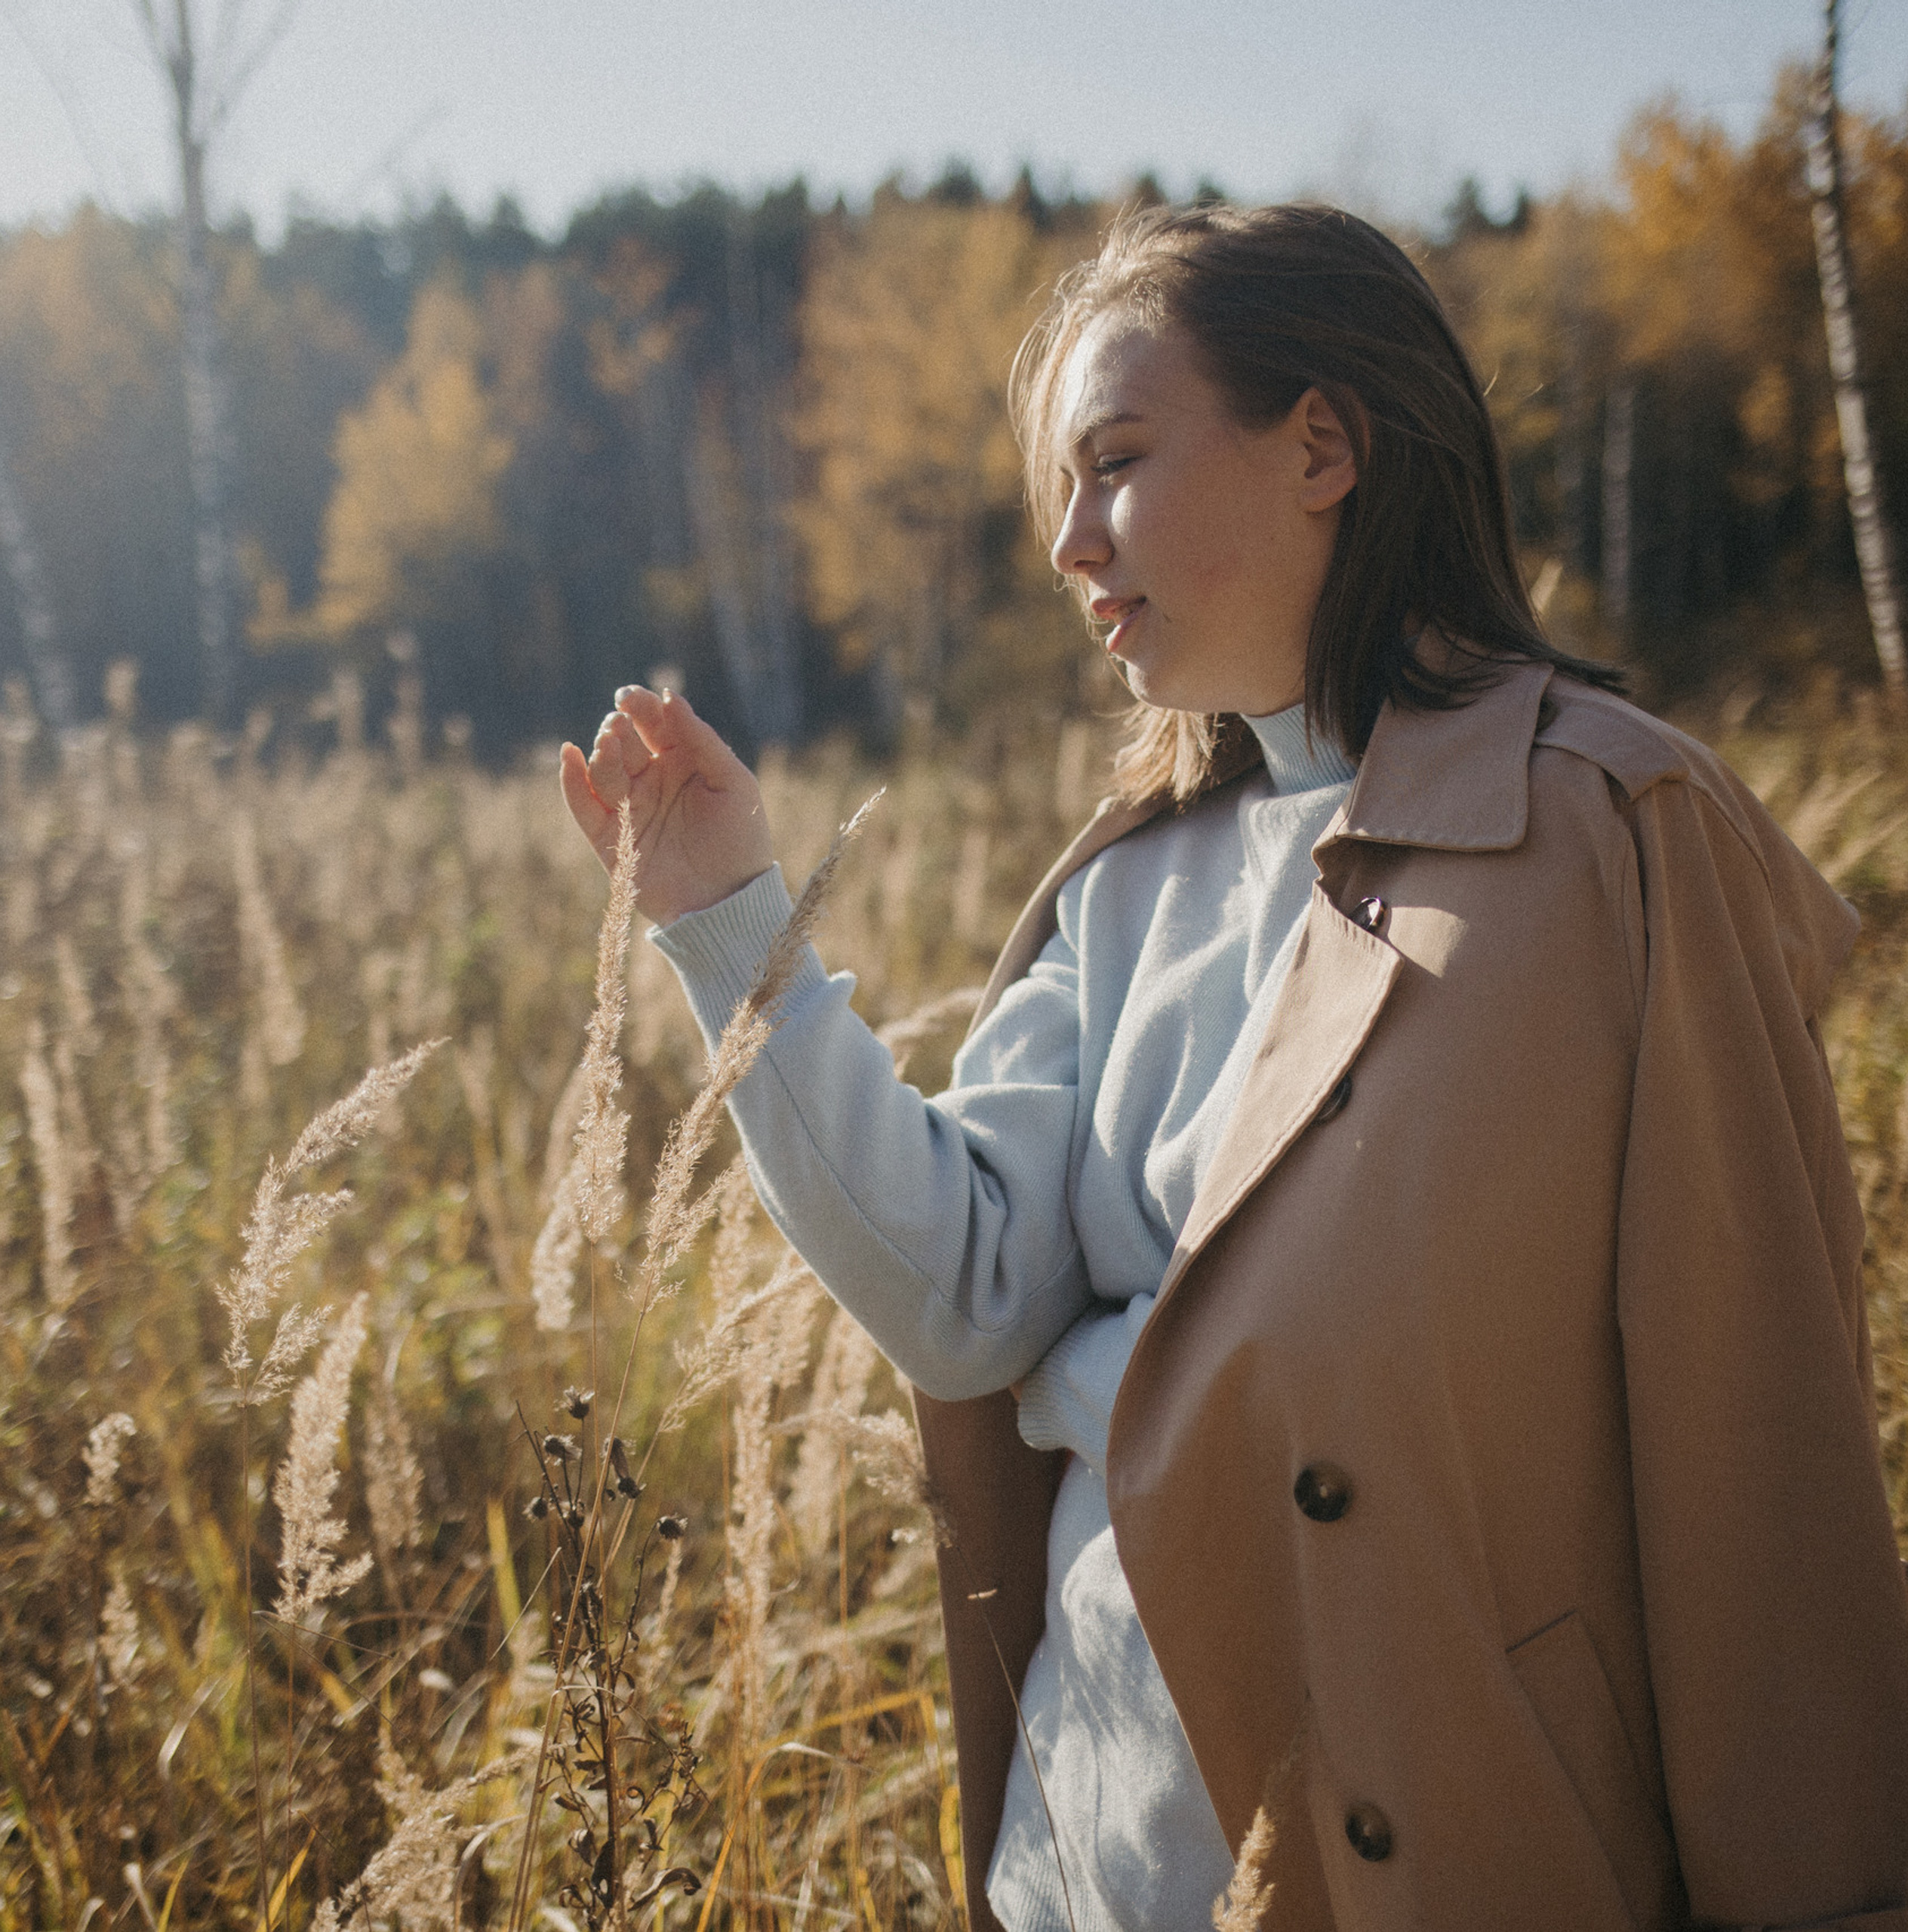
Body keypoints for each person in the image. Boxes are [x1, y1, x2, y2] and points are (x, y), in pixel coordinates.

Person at [562, 204, 1908, 1932]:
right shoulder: (1121, 883)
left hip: (1463, 1861)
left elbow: (1753, 1450)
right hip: (1096, 1862)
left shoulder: (1608, 833)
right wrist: (724, 919)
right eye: (1058, 485)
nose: (1065, 540)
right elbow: (961, 1289)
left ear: (1322, 446)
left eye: (1113, 461)